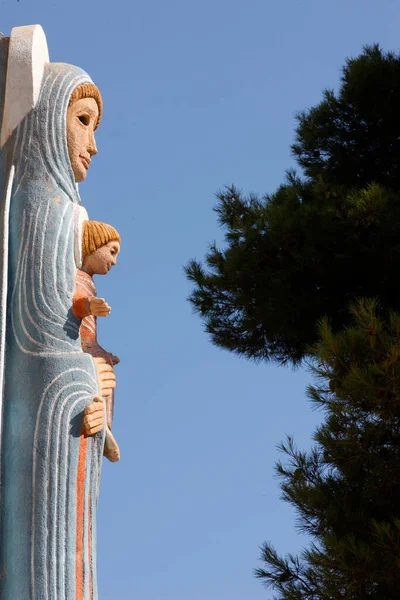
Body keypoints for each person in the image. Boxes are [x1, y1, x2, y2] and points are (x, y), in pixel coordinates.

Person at [72, 219, 121, 462]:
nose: (114, 261)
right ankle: (97, 412)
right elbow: (74, 301)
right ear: (94, 244)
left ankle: (106, 424)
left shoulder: (89, 282)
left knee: (107, 367)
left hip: (90, 343)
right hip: (80, 342)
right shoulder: (77, 278)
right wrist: (89, 305)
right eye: (111, 251)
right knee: (101, 367)